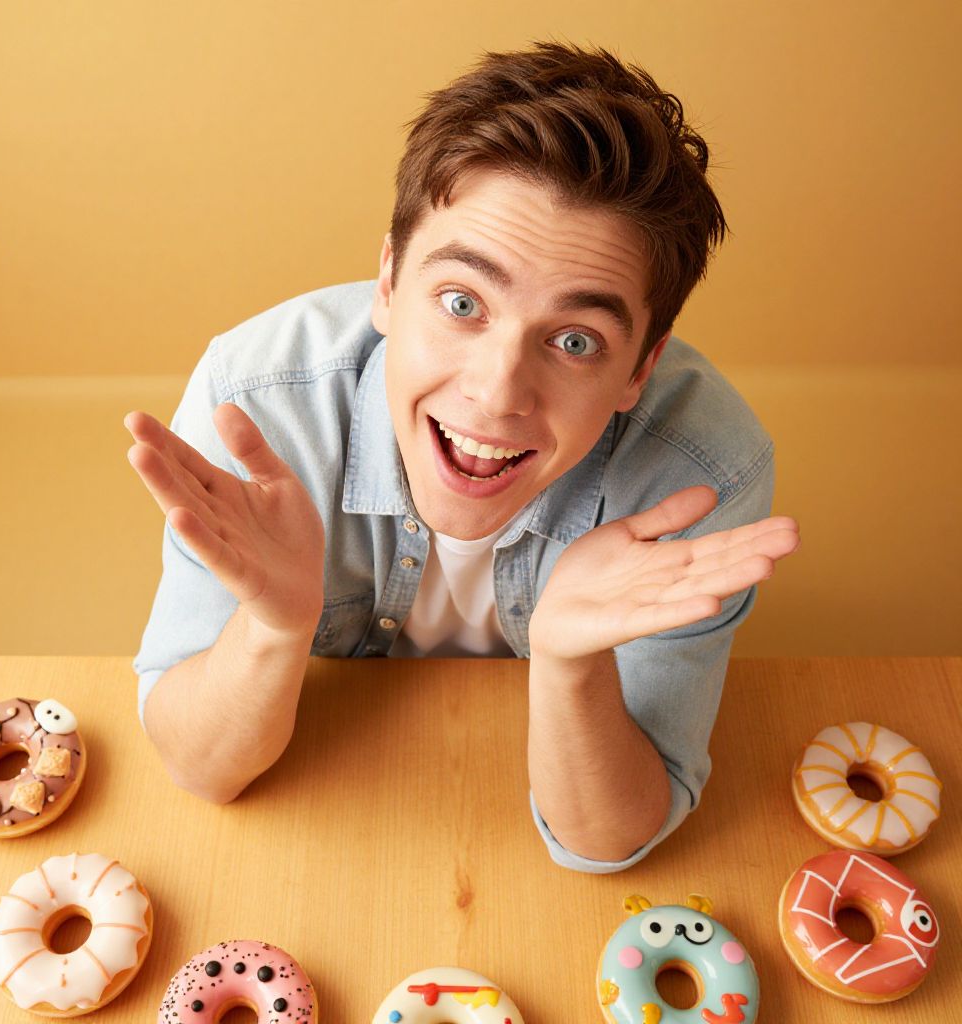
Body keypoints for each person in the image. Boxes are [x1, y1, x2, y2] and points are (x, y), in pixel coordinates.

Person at [125, 40, 800, 873]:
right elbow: (199, 767)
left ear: (641, 368)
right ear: (387, 280)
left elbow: (608, 839)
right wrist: (273, 626)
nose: (498, 391)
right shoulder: (257, 405)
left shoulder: (702, 475)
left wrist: (569, 662)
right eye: (461, 302)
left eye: (576, 339)